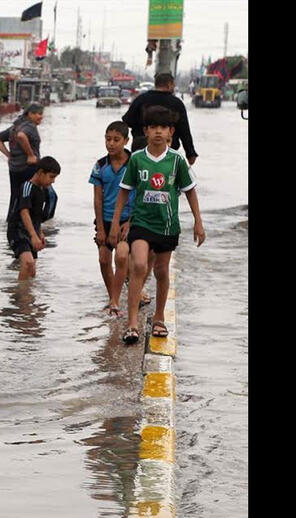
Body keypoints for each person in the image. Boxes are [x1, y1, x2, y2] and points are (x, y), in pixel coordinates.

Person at [108, 105, 205, 345]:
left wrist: (198, 222)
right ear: (146, 131)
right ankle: (132, 323)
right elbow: (124, 193)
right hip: (141, 222)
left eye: (163, 128)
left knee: (161, 271)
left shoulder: (176, 161)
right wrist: (114, 223)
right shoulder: (137, 159)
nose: (158, 132)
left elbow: (190, 192)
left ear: (171, 132)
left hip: (167, 226)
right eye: (154, 128)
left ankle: (159, 318)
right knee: (139, 265)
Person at [90, 121, 134, 316]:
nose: (111, 144)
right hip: (105, 221)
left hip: (127, 221)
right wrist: (100, 227)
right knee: (103, 259)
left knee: (122, 255)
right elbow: (97, 199)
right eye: (108, 139)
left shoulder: (134, 163)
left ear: (126, 141)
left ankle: (117, 299)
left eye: (116, 140)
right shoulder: (100, 166)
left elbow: (140, 195)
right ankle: (113, 298)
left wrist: (130, 222)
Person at [121, 72, 198, 165]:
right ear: (169, 84)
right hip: (168, 152)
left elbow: (128, 121)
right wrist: (190, 153)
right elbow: (184, 131)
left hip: (141, 150)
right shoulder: (177, 104)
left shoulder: (140, 99)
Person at [7, 156, 60, 281]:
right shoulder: (27, 187)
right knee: (28, 263)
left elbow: (35, 216)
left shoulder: (42, 190)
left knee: (32, 270)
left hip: (31, 231)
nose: (53, 181)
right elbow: (24, 212)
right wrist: (33, 235)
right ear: (41, 173)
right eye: (51, 177)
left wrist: (39, 232)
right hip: (18, 231)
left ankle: (25, 295)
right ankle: (19, 297)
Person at [0, 104, 45, 218]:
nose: (41, 117)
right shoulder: (29, 126)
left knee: (15, 197)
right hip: (28, 168)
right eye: (39, 114)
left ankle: (11, 222)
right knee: (32, 198)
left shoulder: (15, 126)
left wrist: (9, 155)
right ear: (30, 114)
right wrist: (31, 155)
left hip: (14, 168)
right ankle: (33, 225)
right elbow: (21, 136)